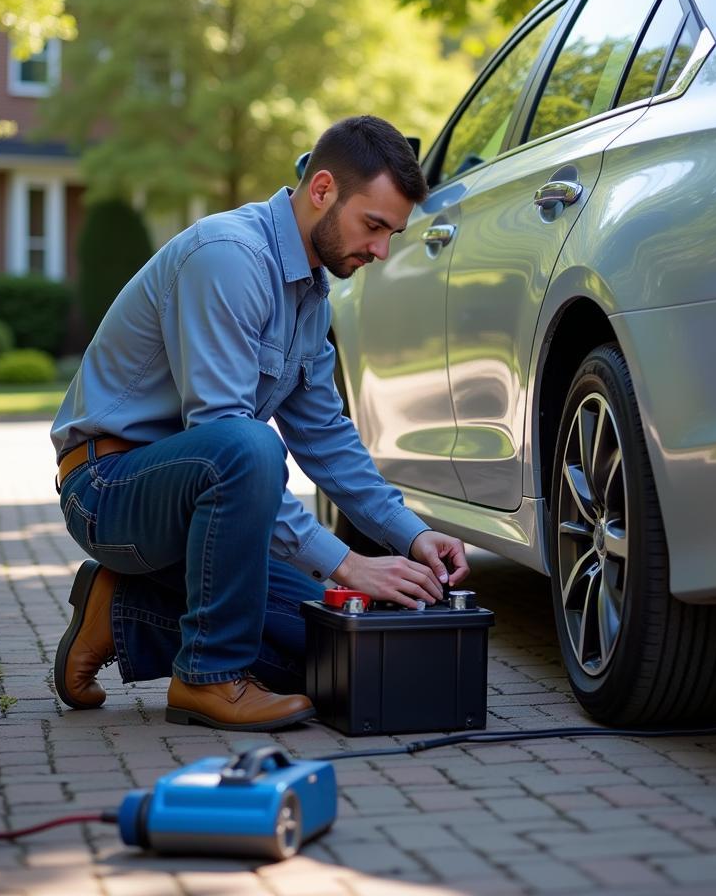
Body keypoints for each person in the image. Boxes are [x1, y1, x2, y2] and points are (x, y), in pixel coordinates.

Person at [51, 115, 470, 731]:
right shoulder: (229, 259)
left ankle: (123, 608)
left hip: (202, 511)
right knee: (249, 444)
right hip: (109, 490)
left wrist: (408, 534)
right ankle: (208, 678)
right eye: (374, 226)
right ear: (323, 189)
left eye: (392, 234)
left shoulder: (310, 291)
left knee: (326, 650)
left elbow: (327, 437)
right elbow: (225, 438)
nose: (381, 251)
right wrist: (346, 562)